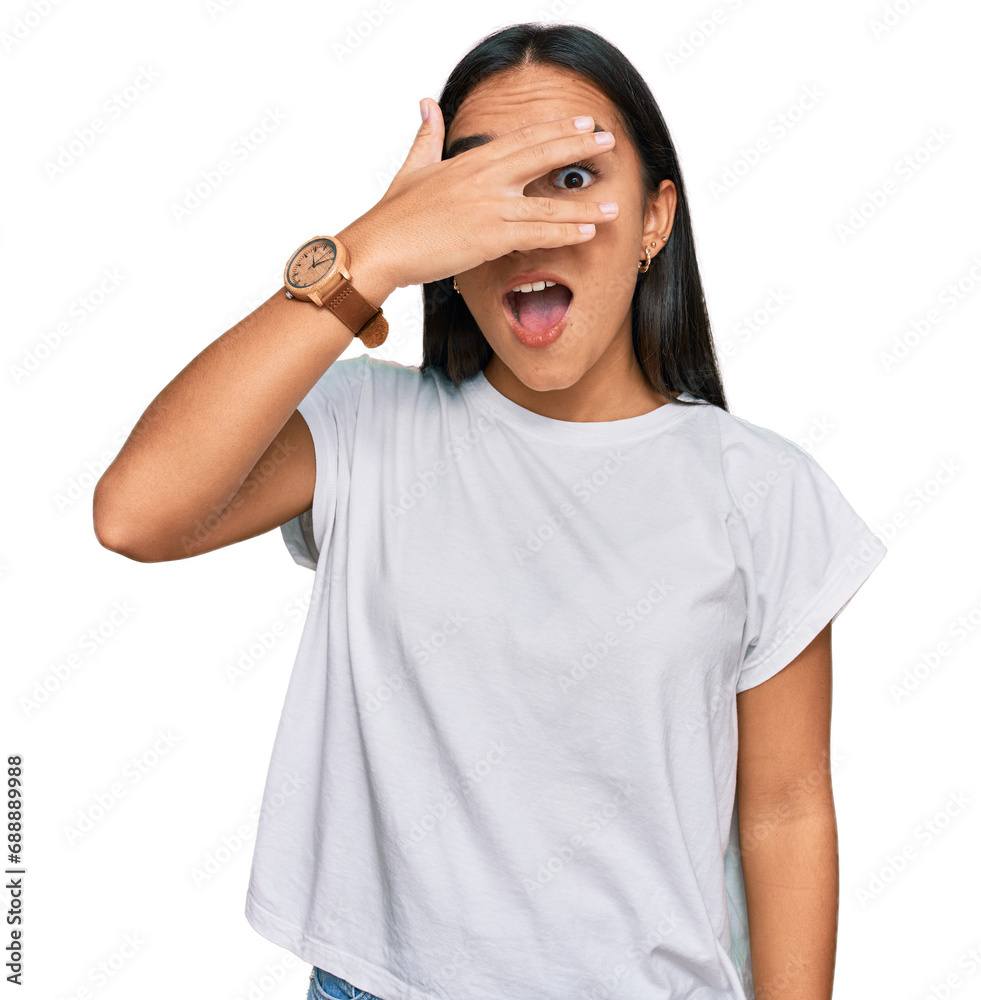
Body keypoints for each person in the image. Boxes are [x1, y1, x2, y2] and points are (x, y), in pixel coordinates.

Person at [93, 22, 887, 1000]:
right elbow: (136, 512)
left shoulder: (759, 490)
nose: (525, 229)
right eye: (483, 188)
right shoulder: (366, 427)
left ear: (654, 220)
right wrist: (370, 252)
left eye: (569, 178)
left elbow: (786, 808)